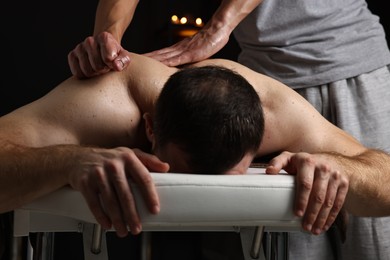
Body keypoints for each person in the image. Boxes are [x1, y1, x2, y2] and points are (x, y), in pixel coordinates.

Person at [67, 0, 390, 259]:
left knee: (375, 238)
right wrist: (106, 42)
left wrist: (218, 27)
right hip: (268, 79)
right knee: (295, 239)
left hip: (350, 62)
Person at [2, 53, 389, 255]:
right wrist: (71, 159)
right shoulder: (107, 103)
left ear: (260, 141)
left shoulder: (275, 112)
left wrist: (336, 167)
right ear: (149, 128)